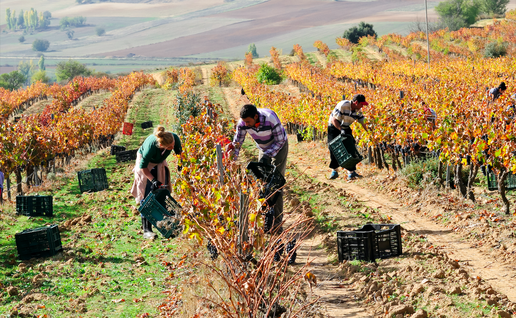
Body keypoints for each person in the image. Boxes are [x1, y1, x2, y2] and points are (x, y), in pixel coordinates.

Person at [230, 104, 288, 233]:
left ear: (256, 117)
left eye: (249, 121)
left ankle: (277, 224)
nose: (247, 124)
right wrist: (231, 160)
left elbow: (279, 141)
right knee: (262, 183)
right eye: (245, 122)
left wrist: (268, 156)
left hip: (280, 146)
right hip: (263, 147)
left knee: (275, 184)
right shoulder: (243, 123)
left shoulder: (270, 119)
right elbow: (238, 142)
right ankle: (266, 219)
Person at [130, 125, 182, 239]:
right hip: (145, 163)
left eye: (173, 143)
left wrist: (181, 164)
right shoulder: (151, 147)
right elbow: (143, 166)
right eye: (170, 146)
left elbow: (179, 153)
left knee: (162, 188)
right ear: (162, 146)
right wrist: (153, 180)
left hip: (159, 161)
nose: (173, 146)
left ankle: (165, 220)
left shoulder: (173, 138)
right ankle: (146, 229)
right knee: (147, 191)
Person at [328, 94, 369, 180]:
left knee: (350, 148)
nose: (362, 106)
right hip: (334, 126)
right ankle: (334, 171)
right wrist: (340, 129)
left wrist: (370, 132)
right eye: (361, 104)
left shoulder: (358, 110)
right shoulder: (343, 105)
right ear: (356, 102)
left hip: (345, 126)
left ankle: (351, 173)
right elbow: (334, 120)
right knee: (334, 147)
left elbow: (362, 121)